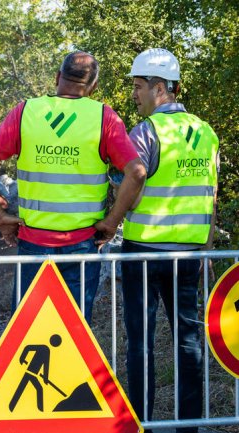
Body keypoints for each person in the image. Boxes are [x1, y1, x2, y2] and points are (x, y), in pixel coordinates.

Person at [0, 51, 146, 323]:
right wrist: (112, 223)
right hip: (82, 245)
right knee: (74, 334)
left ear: (57, 78)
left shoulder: (26, 112)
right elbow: (136, 172)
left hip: (32, 244)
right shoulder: (104, 118)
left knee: (27, 333)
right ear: (94, 86)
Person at [120, 48, 218, 433]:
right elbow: (210, 195)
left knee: (140, 344)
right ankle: (188, 427)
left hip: (143, 252)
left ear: (160, 88)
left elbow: (135, 177)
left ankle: (140, 423)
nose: (135, 95)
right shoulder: (206, 132)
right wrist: (208, 249)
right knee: (188, 342)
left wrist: (116, 214)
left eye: (139, 87)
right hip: (189, 255)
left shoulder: (146, 132)